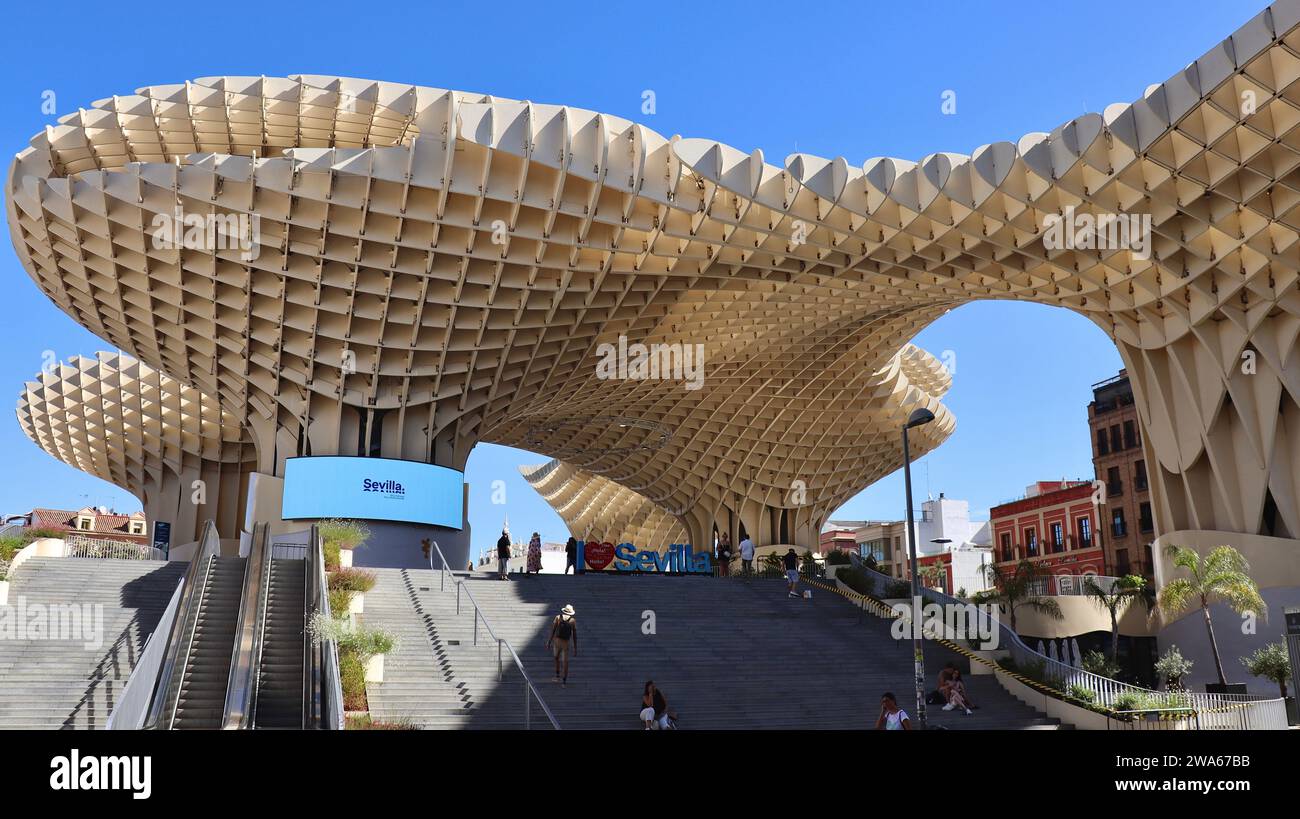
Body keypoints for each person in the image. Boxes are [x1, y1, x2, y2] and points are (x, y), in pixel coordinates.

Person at [544, 604, 578, 686]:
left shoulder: (558, 617)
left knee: (556, 658)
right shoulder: (572, 620)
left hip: (557, 642)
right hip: (566, 643)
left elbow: (553, 630)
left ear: (564, 610)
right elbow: (574, 635)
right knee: (565, 662)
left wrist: (549, 642)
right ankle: (564, 681)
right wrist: (575, 647)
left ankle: (557, 675)